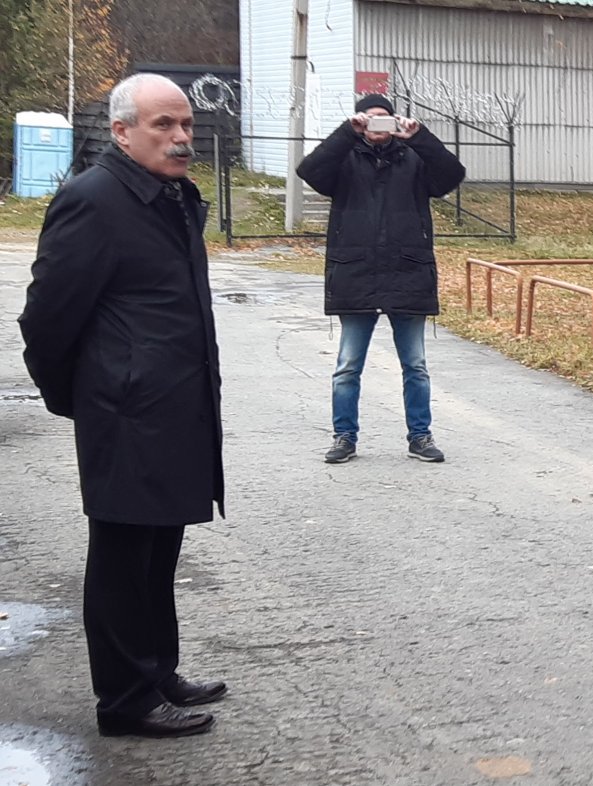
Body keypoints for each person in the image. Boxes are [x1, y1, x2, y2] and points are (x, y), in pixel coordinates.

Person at [18, 73, 228, 738]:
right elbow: (47, 320)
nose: (181, 137)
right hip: (128, 409)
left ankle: (157, 671)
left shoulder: (167, 196)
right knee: (121, 556)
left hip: (173, 405)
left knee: (159, 549)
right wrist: (83, 395)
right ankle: (125, 700)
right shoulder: (95, 200)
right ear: (121, 131)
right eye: (164, 125)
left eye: (187, 125)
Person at [297, 93, 466, 464]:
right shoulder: (345, 159)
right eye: (370, 119)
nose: (377, 126)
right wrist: (346, 133)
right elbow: (309, 172)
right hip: (356, 273)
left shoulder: (415, 159)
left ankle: (420, 437)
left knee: (415, 366)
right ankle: (344, 437)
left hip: (408, 272)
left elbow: (453, 175)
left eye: (384, 119)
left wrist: (420, 136)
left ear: (395, 122)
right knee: (347, 367)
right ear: (360, 121)